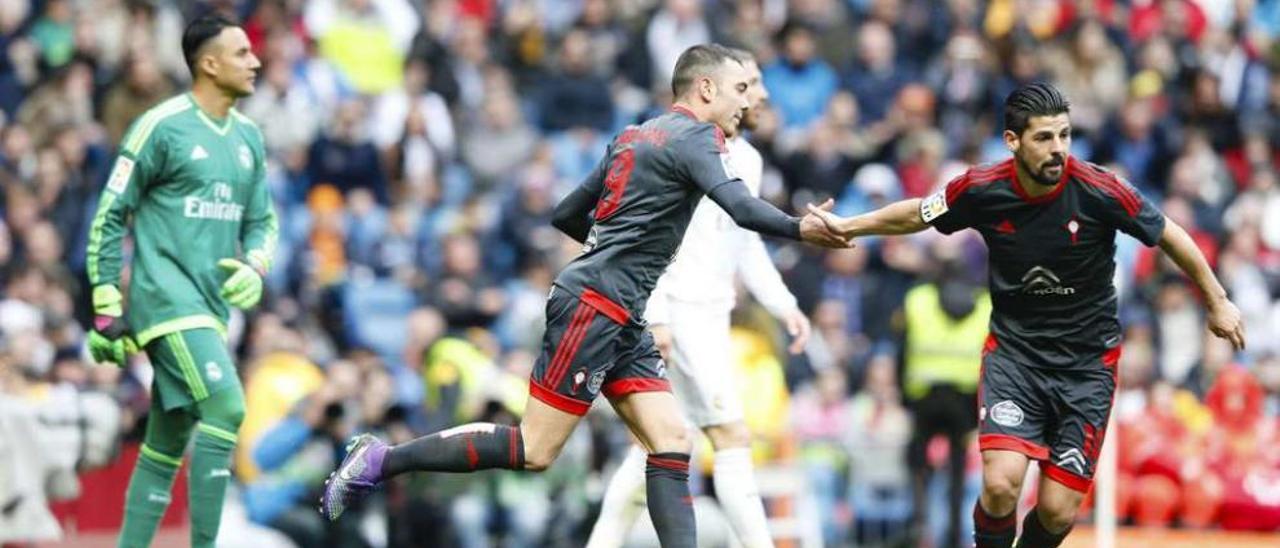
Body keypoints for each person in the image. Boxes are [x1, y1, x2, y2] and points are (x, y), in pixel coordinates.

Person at [318, 43, 851, 548]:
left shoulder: (633, 137)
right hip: (595, 307)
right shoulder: (697, 138)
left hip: (620, 310)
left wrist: (619, 248)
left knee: (671, 440)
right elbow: (740, 207)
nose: (748, 100)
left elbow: (566, 213)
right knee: (535, 448)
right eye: (740, 87)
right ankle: (380, 461)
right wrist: (804, 228)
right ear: (706, 89)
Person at [804, 82, 1245, 548]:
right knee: (1000, 485)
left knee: (1056, 511)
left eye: (1065, 135)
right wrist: (850, 226)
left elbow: (1170, 233)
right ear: (1013, 141)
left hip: (1087, 369)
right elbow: (919, 214)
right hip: (1017, 359)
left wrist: (1217, 300)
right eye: (1044, 138)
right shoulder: (981, 188)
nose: (1058, 149)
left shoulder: (1099, 188)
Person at [586, 49, 807, 548]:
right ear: (715, 87)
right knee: (730, 436)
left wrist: (783, 303)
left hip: (709, 314)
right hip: (679, 311)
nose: (761, 95)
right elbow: (650, 234)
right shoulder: (674, 145)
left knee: (655, 443)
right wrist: (658, 315)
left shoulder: (746, 158)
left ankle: (600, 542)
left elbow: (743, 241)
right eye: (748, 85)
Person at [84, 14, 274, 548]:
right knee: (227, 406)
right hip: (162, 298)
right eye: (241, 53)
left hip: (210, 308)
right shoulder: (160, 126)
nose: (255, 61)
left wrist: (256, 266)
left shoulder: (249, 138)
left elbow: (263, 220)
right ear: (208, 64)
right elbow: (109, 213)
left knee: (167, 440)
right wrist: (103, 302)